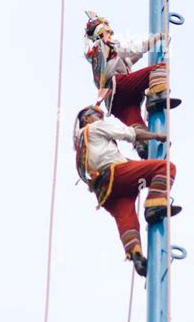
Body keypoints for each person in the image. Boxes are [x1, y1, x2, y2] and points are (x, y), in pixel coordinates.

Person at [74, 105, 181, 277]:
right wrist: (156, 136)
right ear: (86, 119)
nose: (101, 118)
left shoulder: (80, 144)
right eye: (97, 115)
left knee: (127, 220)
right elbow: (129, 133)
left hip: (105, 192)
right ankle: (155, 204)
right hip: (116, 176)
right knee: (165, 168)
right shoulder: (94, 128)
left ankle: (136, 255)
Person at [84, 11, 181, 159]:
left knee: (137, 126)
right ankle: (156, 97)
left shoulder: (99, 53)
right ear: (102, 31)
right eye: (108, 30)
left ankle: (143, 145)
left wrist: (148, 46)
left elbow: (129, 59)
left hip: (115, 102)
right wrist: (157, 38)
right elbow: (134, 48)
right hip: (120, 88)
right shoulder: (106, 44)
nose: (111, 32)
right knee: (159, 69)